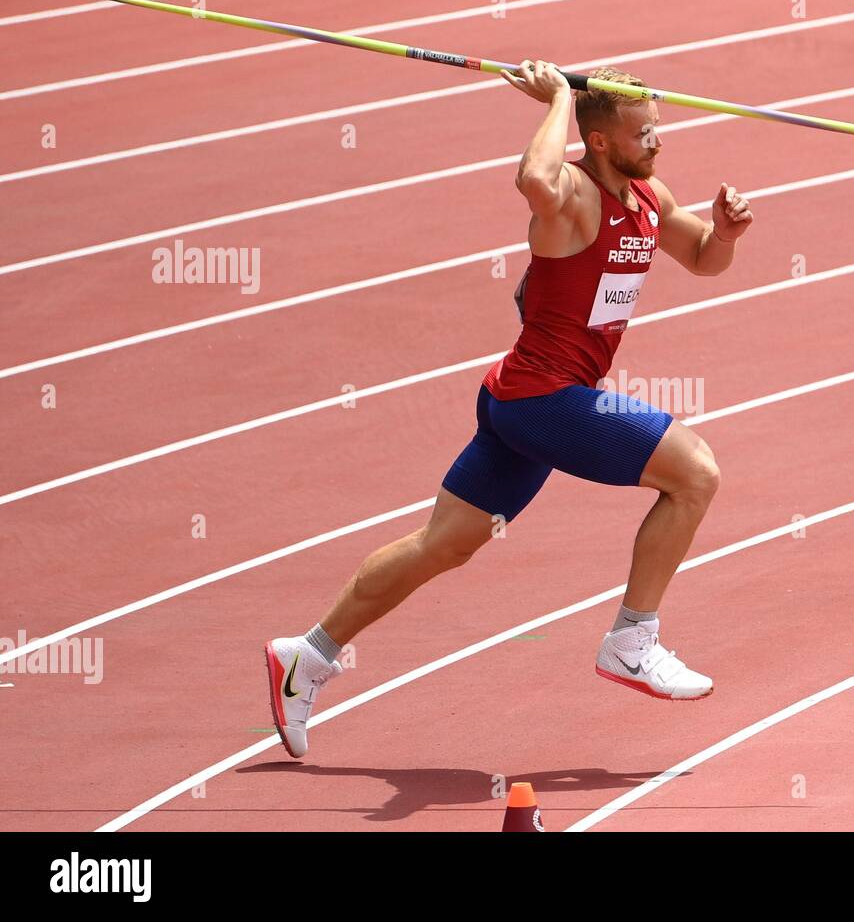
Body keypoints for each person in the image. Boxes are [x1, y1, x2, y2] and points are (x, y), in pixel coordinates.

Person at [265, 60, 754, 758]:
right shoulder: (572, 200)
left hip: (519, 400)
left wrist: (727, 233)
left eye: (658, 128)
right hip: (545, 398)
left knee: (445, 543)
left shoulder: (648, 196)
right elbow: (534, 179)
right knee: (695, 472)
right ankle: (632, 639)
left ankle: (305, 656)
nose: (658, 141)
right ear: (602, 141)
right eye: (643, 132)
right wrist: (558, 97)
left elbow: (703, 257)